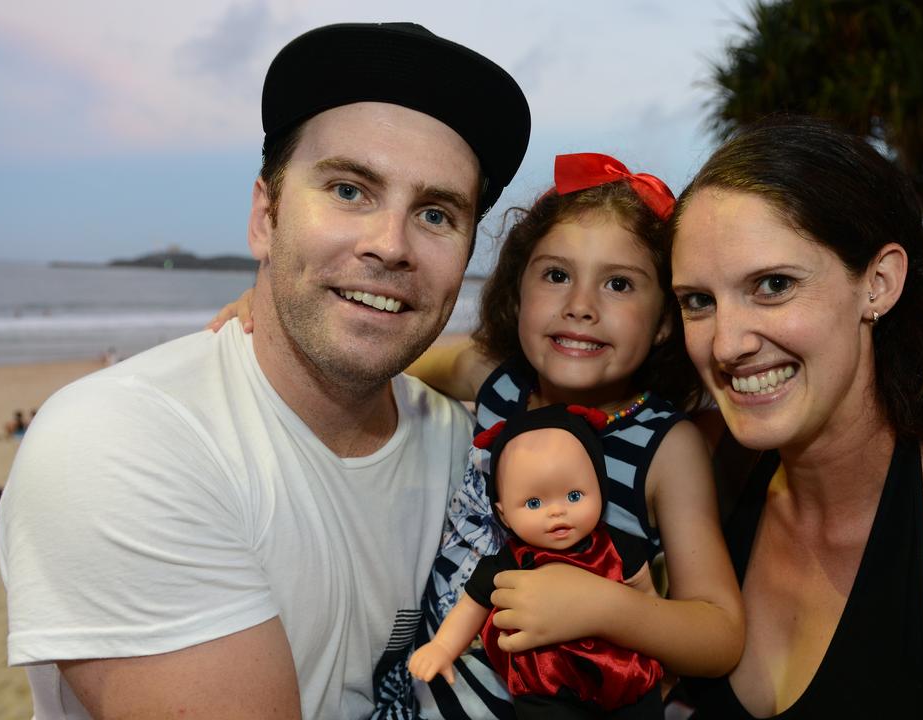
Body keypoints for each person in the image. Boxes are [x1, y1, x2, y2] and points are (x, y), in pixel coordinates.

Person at [0, 22, 531, 720]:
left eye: (435, 213)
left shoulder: (469, 455)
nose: (390, 245)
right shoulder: (123, 440)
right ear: (264, 216)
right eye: (349, 190)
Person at [213, 152, 745, 719]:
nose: (581, 306)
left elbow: (718, 635)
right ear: (519, 290)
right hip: (420, 697)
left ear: (665, 318)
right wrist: (278, 317)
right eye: (557, 275)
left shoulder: (665, 447)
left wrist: (604, 606)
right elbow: (375, 353)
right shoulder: (496, 380)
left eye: (619, 284)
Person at [640, 116, 923, 717]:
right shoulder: (705, 466)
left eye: (773, 285)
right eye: (699, 300)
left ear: (878, 283)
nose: (725, 345)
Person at [409, 405, 664, 719]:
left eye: (574, 496)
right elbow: (471, 607)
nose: (556, 512)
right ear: (503, 513)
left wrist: (657, 642)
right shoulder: (507, 564)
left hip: (623, 671)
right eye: (534, 502)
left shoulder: (620, 548)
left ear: (600, 489)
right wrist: (444, 647)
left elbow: (649, 601)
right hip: (545, 683)